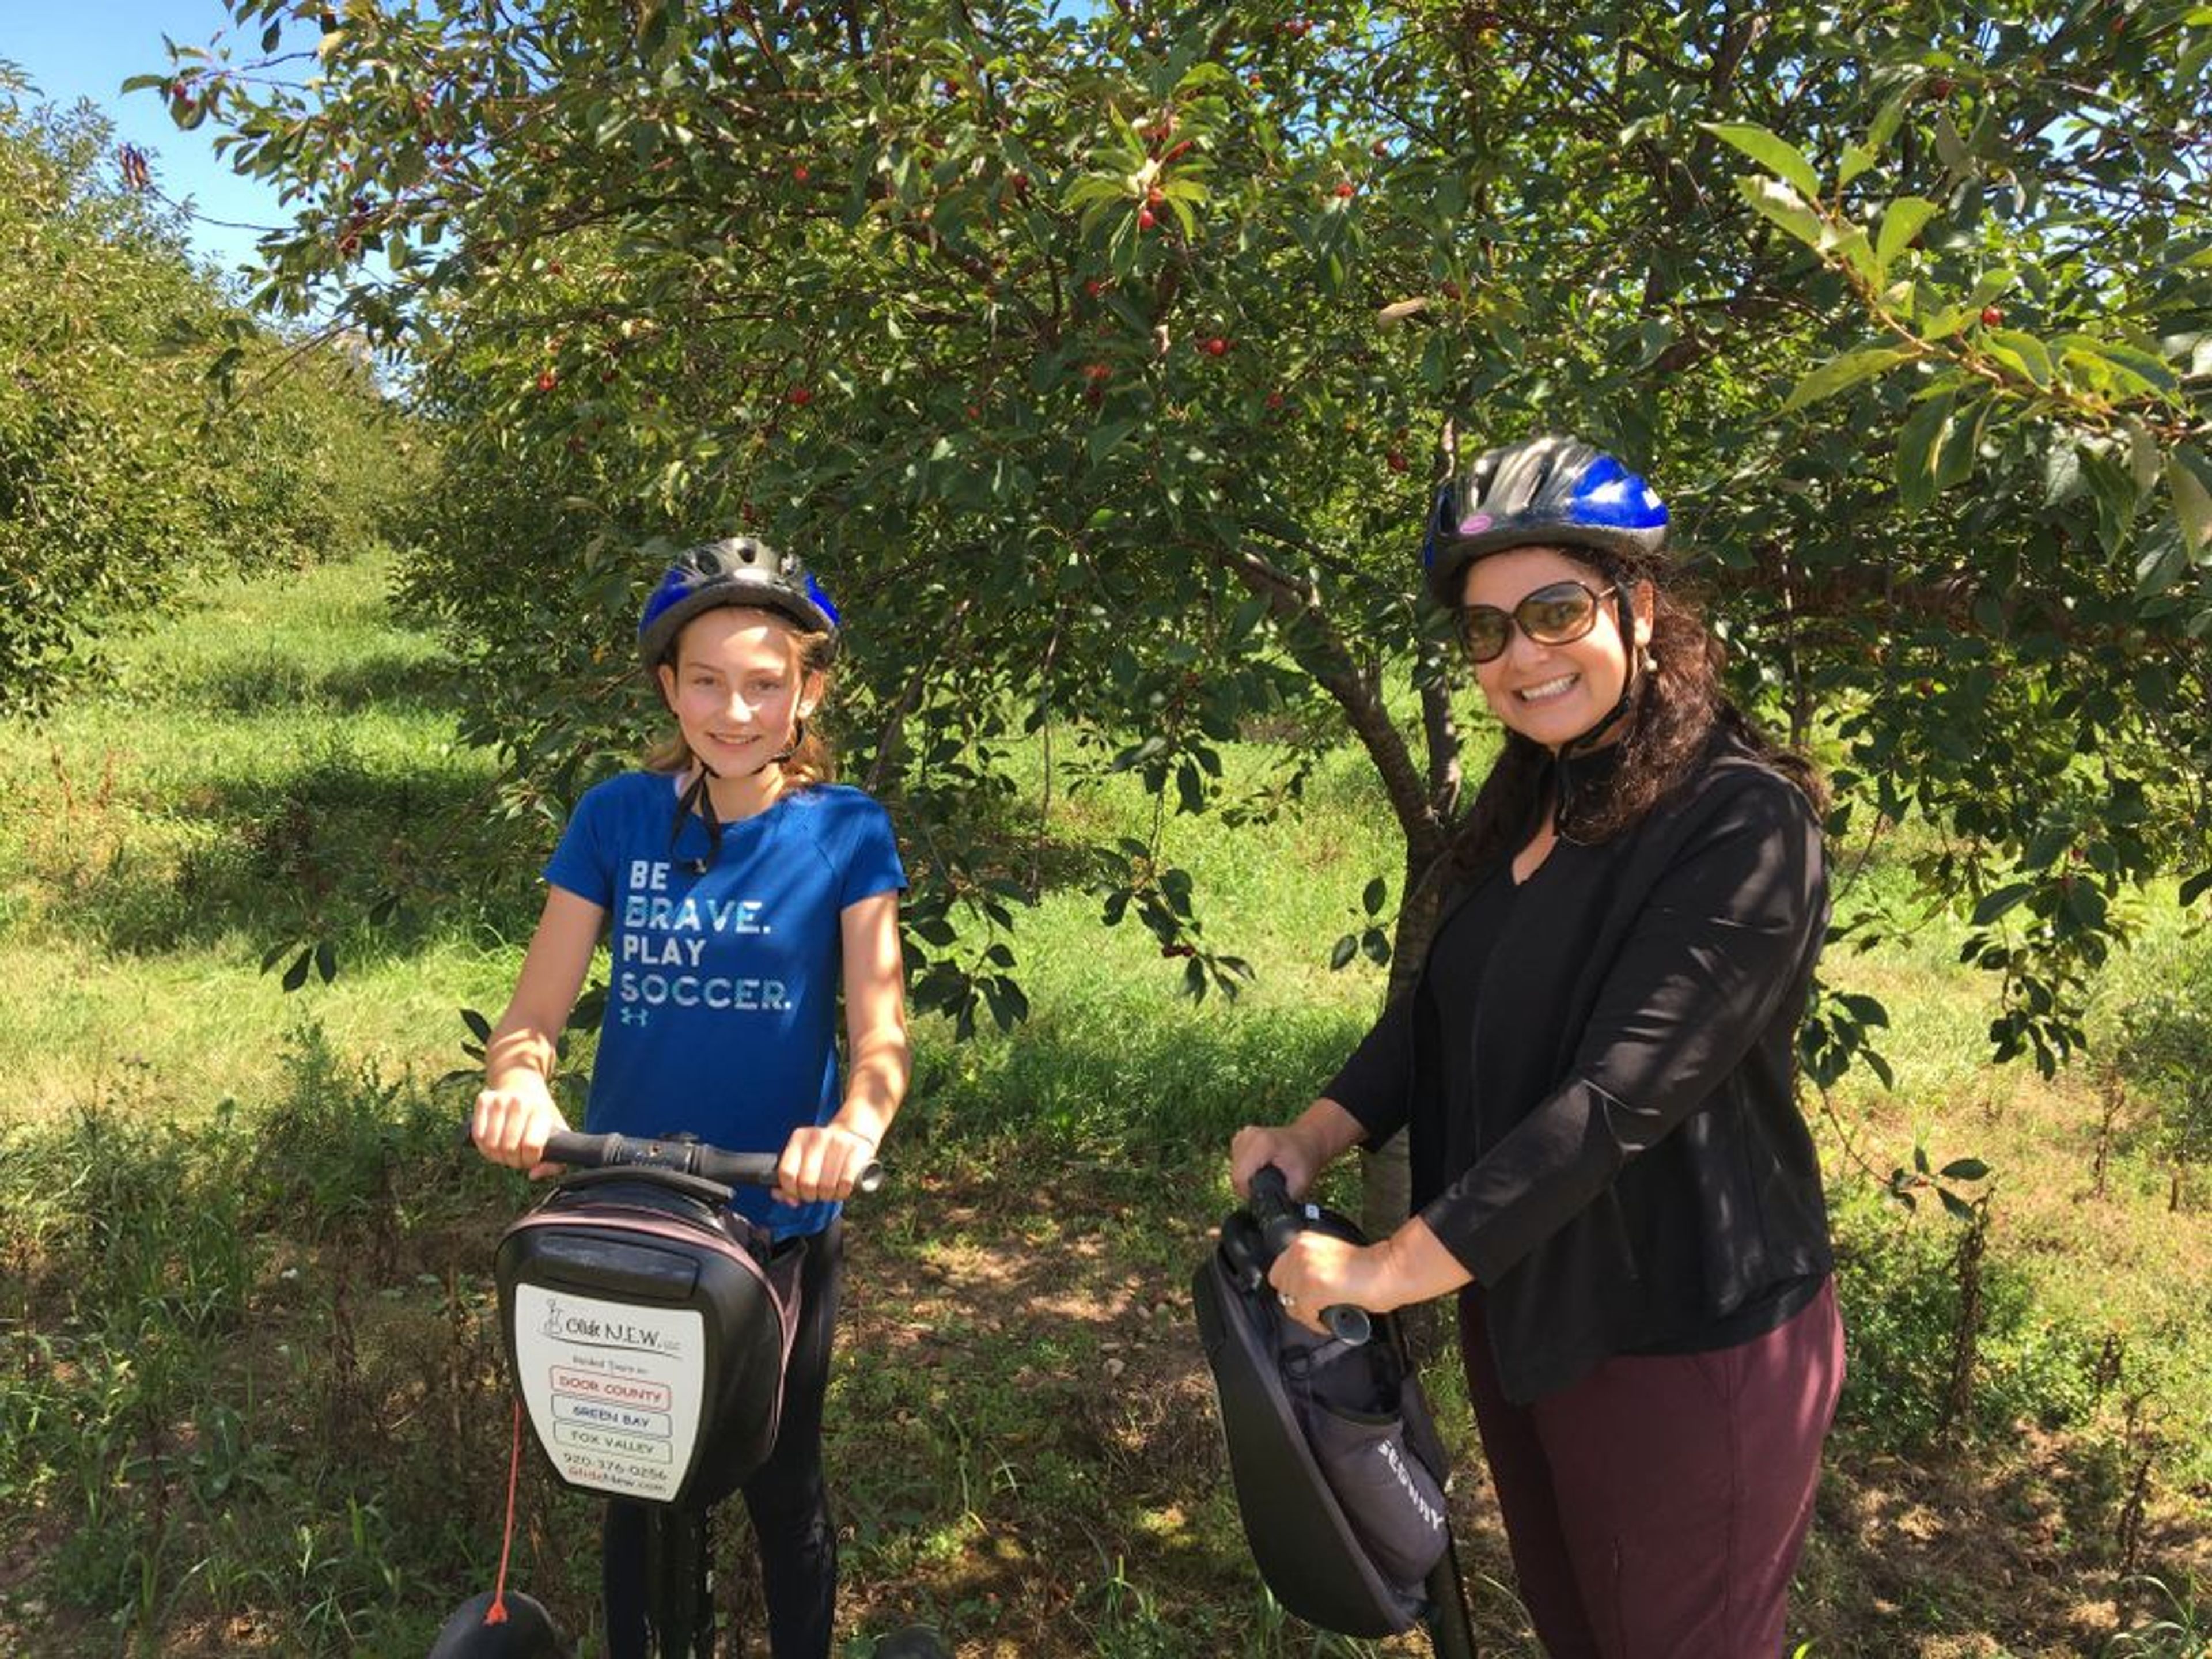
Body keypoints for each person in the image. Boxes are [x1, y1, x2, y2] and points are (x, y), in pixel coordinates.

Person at [1229, 435, 1845, 1658]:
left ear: (1643, 608)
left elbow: (1619, 1096)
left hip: (1681, 1334)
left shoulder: (1741, 823)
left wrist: (1393, 1268)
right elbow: (1436, 1017)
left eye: (1555, 610)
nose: (1521, 654)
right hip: (1528, 1308)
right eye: (1487, 631)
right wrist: (1313, 1134)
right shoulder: (1535, 797)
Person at [471, 536, 910, 1659]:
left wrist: (854, 1125)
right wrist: (520, 1082)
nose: (735, 709)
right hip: (633, 1211)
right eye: (707, 680)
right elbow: (535, 1013)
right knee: (638, 1477)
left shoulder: (848, 830)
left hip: (776, 1220)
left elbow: (881, 1031)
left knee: (781, 1481)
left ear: (807, 690)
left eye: (766, 683)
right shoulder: (617, 819)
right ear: (669, 686)